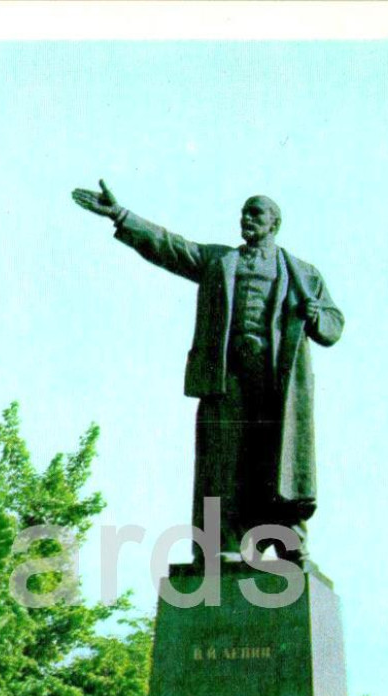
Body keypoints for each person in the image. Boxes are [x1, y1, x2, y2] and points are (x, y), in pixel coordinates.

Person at [72, 183, 344, 559]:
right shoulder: (219, 261)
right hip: (227, 379)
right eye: (244, 213)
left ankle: (289, 542)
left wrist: (318, 317)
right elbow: (170, 246)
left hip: (275, 384)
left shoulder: (302, 273)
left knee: (276, 460)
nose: (246, 219)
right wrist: (121, 215)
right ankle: (227, 545)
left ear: (274, 223)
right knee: (226, 464)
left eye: (255, 213)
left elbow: (333, 322)